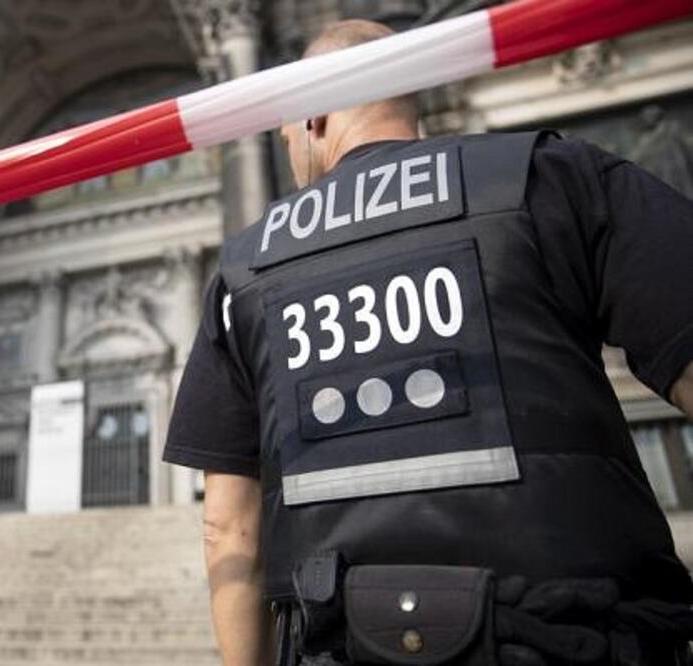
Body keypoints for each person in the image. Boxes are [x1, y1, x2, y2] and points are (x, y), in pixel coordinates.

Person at [163, 19, 693, 666]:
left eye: (284, 133)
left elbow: (228, 529)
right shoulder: (552, 176)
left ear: (314, 119)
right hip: (582, 635)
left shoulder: (243, 271)